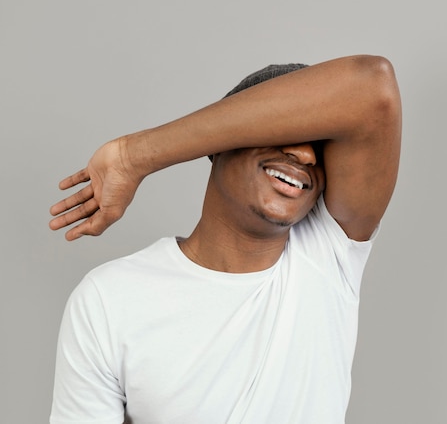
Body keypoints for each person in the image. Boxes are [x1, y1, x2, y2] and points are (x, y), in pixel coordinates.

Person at [49, 54, 401, 424]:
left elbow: (372, 86)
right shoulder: (108, 299)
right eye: (283, 132)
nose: (305, 154)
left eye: (320, 147)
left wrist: (134, 156)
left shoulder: (329, 255)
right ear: (218, 141)